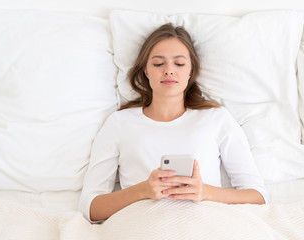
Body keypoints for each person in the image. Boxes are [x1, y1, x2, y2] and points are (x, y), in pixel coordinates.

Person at [79, 23, 268, 223]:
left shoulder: (216, 118)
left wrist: (205, 192)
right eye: (158, 64)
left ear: (190, 71)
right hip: (142, 226)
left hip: (205, 225)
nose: (169, 70)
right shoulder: (120, 122)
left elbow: (259, 197)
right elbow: (89, 208)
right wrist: (142, 190)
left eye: (179, 64)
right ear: (146, 71)